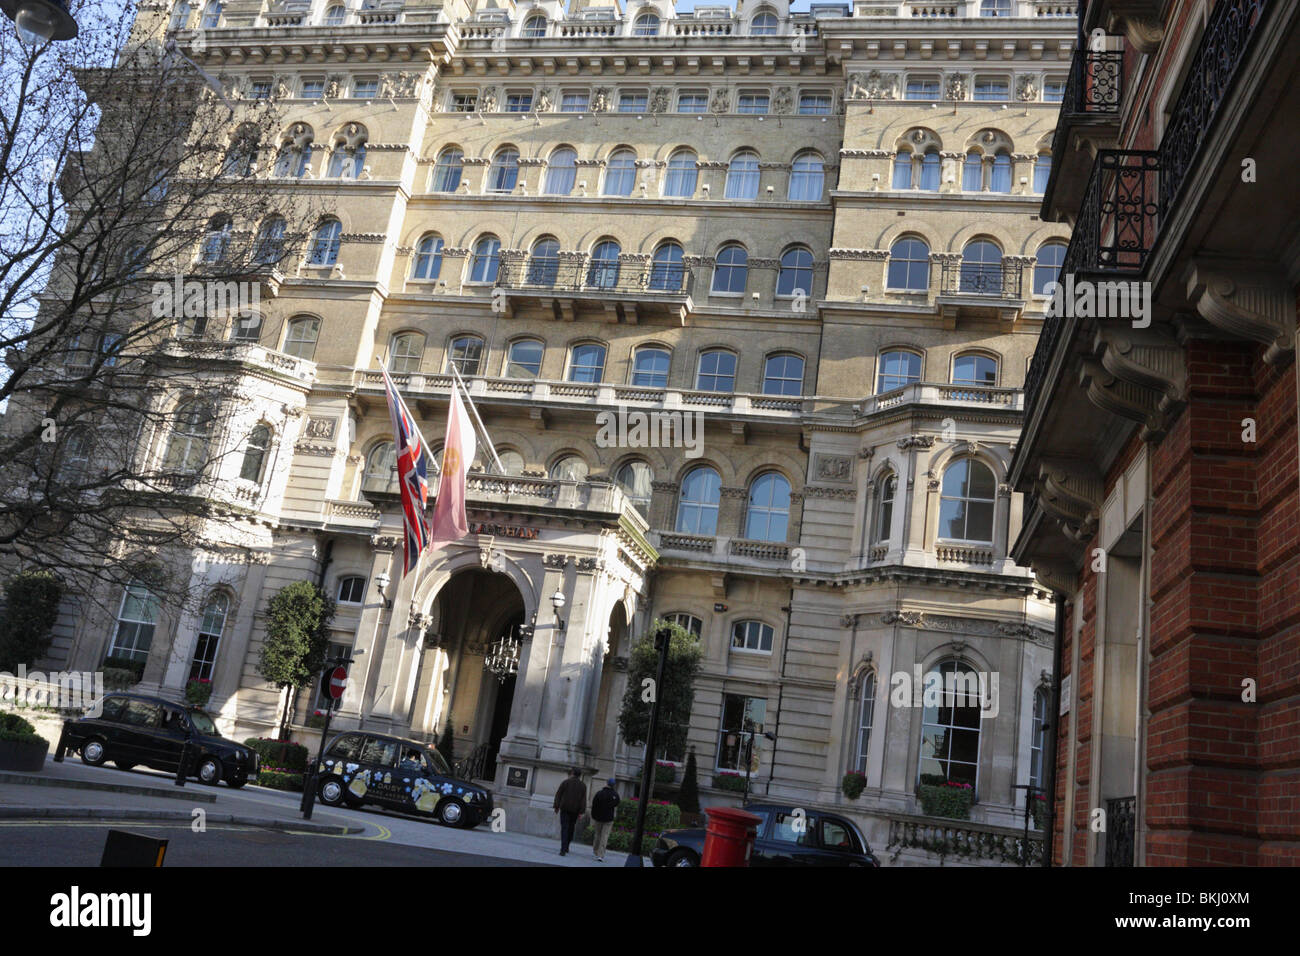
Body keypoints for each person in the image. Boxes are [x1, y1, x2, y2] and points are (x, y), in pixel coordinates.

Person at [553, 768, 587, 856]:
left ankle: (563, 849)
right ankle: (567, 845)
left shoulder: (566, 782)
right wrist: (581, 812)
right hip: (575, 810)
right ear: (580, 775)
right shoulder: (583, 785)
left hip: (565, 808)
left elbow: (558, 794)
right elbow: (583, 800)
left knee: (564, 828)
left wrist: (556, 806)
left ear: (572, 773)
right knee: (571, 828)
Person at [590, 777, 620, 862]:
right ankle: (601, 854)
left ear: (606, 783)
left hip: (598, 817)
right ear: (614, 785)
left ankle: (595, 850)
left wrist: (594, 815)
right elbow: (616, 803)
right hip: (609, 818)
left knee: (597, 834)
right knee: (605, 836)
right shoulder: (615, 795)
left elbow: (594, 805)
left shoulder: (599, 793)